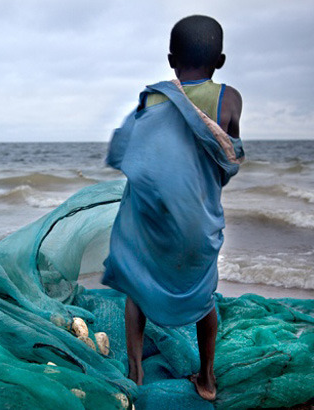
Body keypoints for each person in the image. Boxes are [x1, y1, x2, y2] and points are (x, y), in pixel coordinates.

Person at [101, 15, 243, 401]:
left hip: (153, 222)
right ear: (221, 60)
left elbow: (130, 154)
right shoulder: (228, 99)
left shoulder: (153, 98)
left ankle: (135, 372)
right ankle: (208, 379)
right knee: (204, 294)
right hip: (199, 222)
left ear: (170, 59)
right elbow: (228, 156)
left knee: (137, 286)